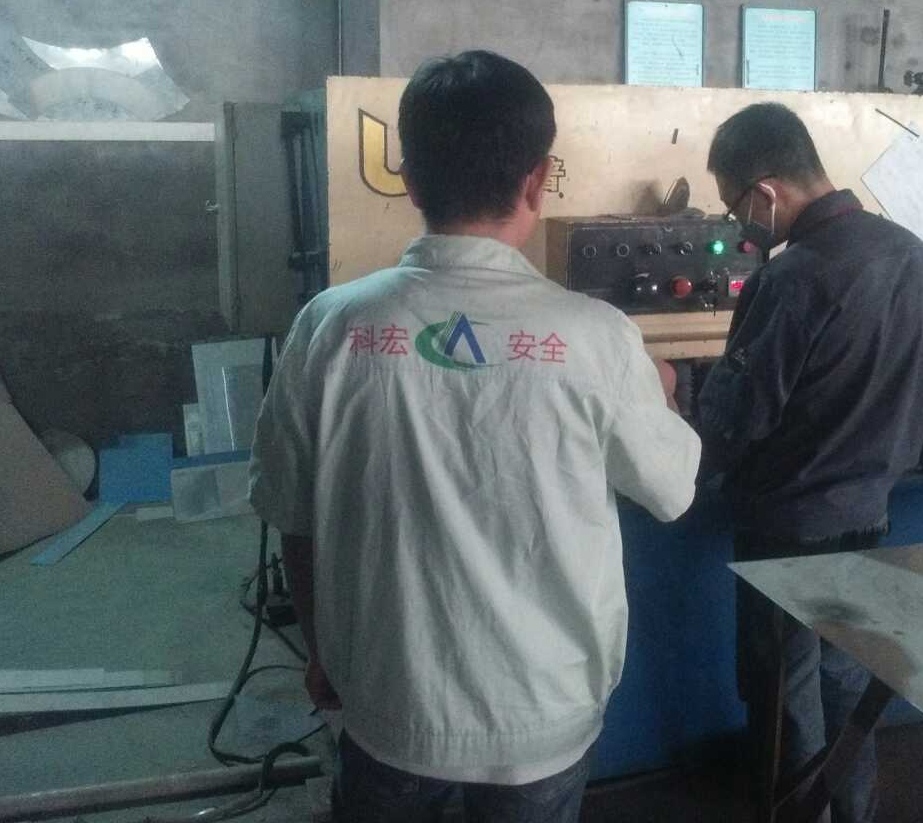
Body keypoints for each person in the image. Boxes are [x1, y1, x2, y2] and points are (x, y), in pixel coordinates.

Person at [249, 50, 700, 823]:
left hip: (387, 700)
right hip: (542, 712)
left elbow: (294, 515)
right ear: (537, 178)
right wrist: (661, 392)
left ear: (408, 177)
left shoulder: (331, 326)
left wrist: (323, 650)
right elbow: (671, 492)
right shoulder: (597, 336)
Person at [698, 102, 923, 823]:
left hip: (788, 526)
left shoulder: (792, 278)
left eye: (736, 208)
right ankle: (855, 810)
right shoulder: (911, 253)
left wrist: (683, 432)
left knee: (785, 688)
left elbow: (739, 417)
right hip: (871, 514)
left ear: (765, 193)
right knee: (847, 678)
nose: (740, 226)